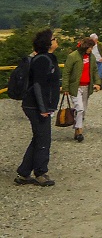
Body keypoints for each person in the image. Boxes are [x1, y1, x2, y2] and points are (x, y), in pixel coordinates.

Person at [15, 29, 60, 187]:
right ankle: (40, 172)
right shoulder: (42, 60)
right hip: (36, 106)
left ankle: (24, 172)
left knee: (38, 137)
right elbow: (38, 86)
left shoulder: (47, 58)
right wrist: (43, 108)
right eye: (54, 38)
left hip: (38, 105)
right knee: (43, 139)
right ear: (47, 43)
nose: (56, 40)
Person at [62, 36, 101, 142]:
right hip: (75, 87)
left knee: (83, 110)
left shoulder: (91, 57)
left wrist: (97, 82)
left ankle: (76, 129)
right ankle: (79, 131)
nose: (91, 49)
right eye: (90, 47)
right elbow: (66, 72)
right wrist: (65, 87)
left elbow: (94, 70)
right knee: (79, 108)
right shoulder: (73, 56)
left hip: (87, 87)